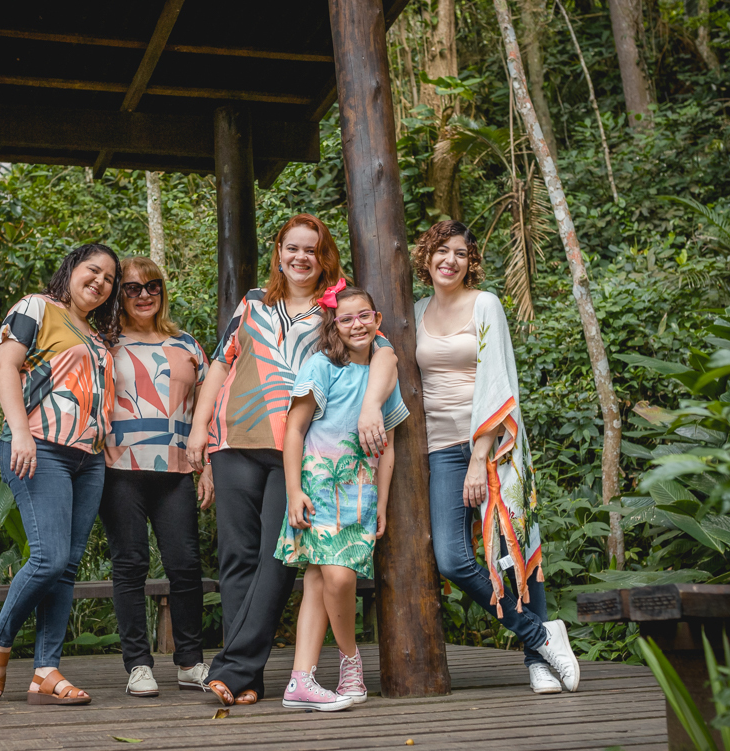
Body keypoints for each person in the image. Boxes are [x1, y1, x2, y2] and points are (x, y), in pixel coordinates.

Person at [186, 213, 399, 706]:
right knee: (236, 559)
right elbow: (222, 362)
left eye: (312, 249)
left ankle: (232, 668)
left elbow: (383, 352)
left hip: (294, 451)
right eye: (292, 248)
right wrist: (199, 429)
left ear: (324, 257)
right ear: (278, 252)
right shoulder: (253, 303)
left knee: (278, 561)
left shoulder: (334, 309)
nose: (301, 257)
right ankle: (246, 678)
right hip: (234, 439)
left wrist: (370, 406)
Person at [412, 220, 580, 694]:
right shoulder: (416, 310)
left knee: (513, 549)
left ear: (471, 263)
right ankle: (542, 635)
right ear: (427, 256)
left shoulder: (485, 305)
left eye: (460, 254)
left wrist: (478, 455)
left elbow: (496, 377)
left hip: (491, 446)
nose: (450, 260)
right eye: (441, 250)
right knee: (452, 560)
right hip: (440, 449)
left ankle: (537, 662)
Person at [0, 242, 121, 706]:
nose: (100, 282)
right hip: (39, 448)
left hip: (89, 459)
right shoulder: (37, 307)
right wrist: (19, 432)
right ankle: (0, 640)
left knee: (67, 568)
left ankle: (45, 669)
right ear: (72, 269)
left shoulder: (98, 338)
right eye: (93, 271)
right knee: (49, 558)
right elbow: (5, 364)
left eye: (109, 279)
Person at [277, 283, 408, 711]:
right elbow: (294, 430)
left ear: (377, 320)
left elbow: (386, 446)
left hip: (362, 492)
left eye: (364, 316)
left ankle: (301, 680)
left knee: (319, 580)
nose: (356, 324)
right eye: (347, 317)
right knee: (337, 578)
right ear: (335, 323)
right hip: (318, 483)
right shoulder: (321, 366)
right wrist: (293, 490)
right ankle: (351, 660)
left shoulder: (383, 370)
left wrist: (383, 504)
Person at [100, 256, 214, 697]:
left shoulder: (187, 344)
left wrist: (210, 471)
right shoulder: (104, 343)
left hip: (177, 470)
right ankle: (138, 666)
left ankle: (189, 662)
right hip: (119, 470)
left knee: (185, 565)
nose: (143, 295)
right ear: (118, 295)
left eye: (152, 286)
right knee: (130, 565)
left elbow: (209, 415)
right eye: (131, 288)